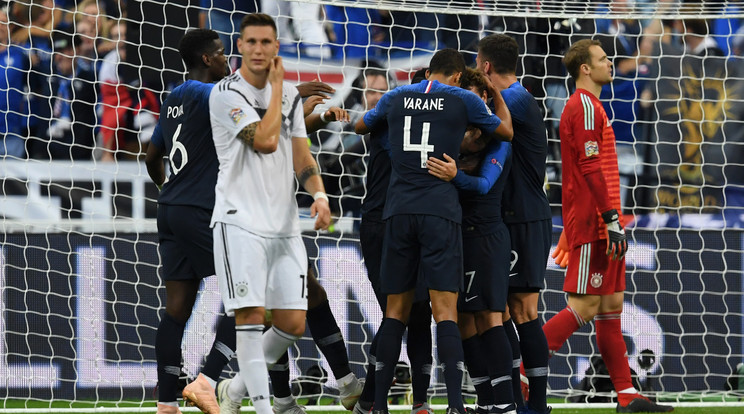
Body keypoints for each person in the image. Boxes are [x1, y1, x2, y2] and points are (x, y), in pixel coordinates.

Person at [355, 48, 513, 414]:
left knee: (395, 312)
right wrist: (495, 91)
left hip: (397, 211)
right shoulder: (461, 100)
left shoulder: (396, 96)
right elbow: (505, 131)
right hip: (440, 212)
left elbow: (362, 125)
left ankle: (378, 406)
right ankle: (456, 405)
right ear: (458, 76)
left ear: (428, 72)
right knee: (445, 312)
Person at [207, 13, 330, 414]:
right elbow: (264, 139)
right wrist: (278, 89)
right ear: (239, 46)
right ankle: (262, 409)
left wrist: (319, 193)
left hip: (283, 224)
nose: (259, 49)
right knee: (251, 317)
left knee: (294, 322)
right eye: (251, 42)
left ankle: (233, 390)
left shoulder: (290, 96)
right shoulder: (226, 94)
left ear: (277, 47)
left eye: (266, 42)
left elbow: (299, 152)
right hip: (239, 221)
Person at [543, 39, 673, 414]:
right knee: (584, 305)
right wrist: (610, 219)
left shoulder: (593, 105)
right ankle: (518, 376)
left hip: (603, 220)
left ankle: (627, 397)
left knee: (611, 305)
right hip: (597, 222)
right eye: (602, 59)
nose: (610, 63)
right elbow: (587, 168)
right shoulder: (582, 105)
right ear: (585, 68)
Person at [144, 28, 234, 414]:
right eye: (223, 54)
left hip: (169, 208)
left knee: (176, 308)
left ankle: (166, 404)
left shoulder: (174, 96)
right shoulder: (210, 95)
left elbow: (151, 156)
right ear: (208, 59)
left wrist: (170, 189)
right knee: (244, 298)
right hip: (200, 210)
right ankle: (207, 380)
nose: (228, 60)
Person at [425, 67, 514, 414]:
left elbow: (483, 185)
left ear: (487, 99)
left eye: (479, 96)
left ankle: (507, 403)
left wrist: (454, 175)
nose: (470, 101)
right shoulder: (447, 133)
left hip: (488, 236)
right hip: (457, 236)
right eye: (466, 94)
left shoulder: (498, 138)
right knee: (462, 321)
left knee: (492, 317)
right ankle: (486, 401)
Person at [475, 34, 552, 414]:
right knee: (500, 310)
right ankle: (512, 403)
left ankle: (536, 405)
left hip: (524, 217)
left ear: (486, 66)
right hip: (511, 217)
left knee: (522, 311)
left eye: (476, 63)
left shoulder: (516, 100)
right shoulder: (513, 99)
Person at [352, 68, 435, 414]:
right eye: (370, 91)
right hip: (381, 226)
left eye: (380, 90)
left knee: (419, 312)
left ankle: (411, 402)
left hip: (415, 224)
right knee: (397, 312)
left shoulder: (429, 122)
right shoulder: (390, 118)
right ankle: (374, 400)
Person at [43, 28, 97, 160]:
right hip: (49, 153)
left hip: (78, 154)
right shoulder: (49, 81)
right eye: (56, 52)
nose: (59, 56)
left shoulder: (89, 80)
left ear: (77, 51)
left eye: (64, 51)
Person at [0, 7, 30, 158]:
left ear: (11, 27)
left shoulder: (21, 55)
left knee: (15, 182)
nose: (0, 25)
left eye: (4, 22)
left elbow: (33, 87)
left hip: (12, 134)